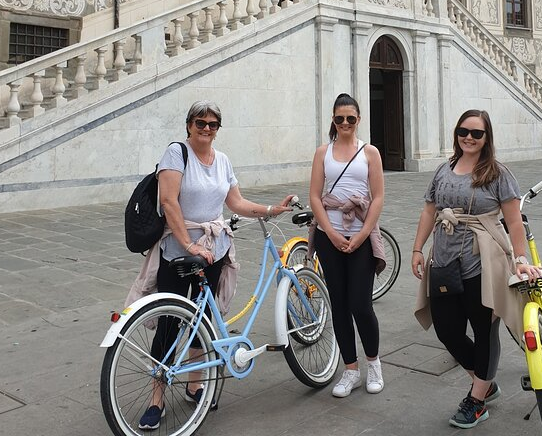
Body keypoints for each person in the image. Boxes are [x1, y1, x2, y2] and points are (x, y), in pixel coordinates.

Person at [137, 100, 295, 430]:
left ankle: (195, 385)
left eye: (212, 124)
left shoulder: (222, 160)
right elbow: (168, 203)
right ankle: (157, 398)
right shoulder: (176, 153)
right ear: (189, 125)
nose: (206, 128)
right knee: (170, 320)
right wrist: (189, 243)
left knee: (203, 320)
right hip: (180, 251)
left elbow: (235, 202)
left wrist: (270, 209)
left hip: (215, 249)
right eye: (200, 123)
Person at [410, 109, 541, 429]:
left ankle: (477, 398)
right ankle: (484, 381)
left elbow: (513, 221)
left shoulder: (497, 173)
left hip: (483, 261)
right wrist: (417, 248)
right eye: (463, 131)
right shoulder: (443, 170)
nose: (469, 137)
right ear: (456, 134)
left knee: (484, 329)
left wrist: (521, 260)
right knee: (446, 329)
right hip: (443, 259)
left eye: (477, 133)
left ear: (487, 138)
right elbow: (429, 211)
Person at [309, 93, 386, 398]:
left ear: (358, 120)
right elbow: (315, 196)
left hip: (361, 236)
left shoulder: (370, 152)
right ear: (332, 119)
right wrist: (331, 233)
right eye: (339, 118)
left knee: (360, 304)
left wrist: (362, 234)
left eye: (350, 119)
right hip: (331, 237)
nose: (344, 123)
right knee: (339, 305)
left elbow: (378, 196)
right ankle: (350, 369)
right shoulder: (322, 153)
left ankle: (374, 363)